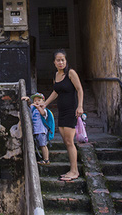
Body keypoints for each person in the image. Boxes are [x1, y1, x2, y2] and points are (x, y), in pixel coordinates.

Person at [43, 49, 83, 182]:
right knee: (66, 141)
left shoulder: (71, 73)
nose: (61, 62)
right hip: (61, 111)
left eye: (63, 60)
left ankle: (74, 171)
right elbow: (55, 92)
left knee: (70, 142)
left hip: (71, 110)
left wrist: (80, 106)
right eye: (58, 60)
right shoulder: (56, 75)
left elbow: (79, 89)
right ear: (54, 62)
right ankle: (72, 170)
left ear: (66, 61)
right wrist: (45, 104)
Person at [22, 92, 55, 165]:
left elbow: (43, 113)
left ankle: (46, 159)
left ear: (43, 102)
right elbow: (29, 105)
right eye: (35, 100)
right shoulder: (34, 109)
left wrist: (39, 107)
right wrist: (28, 100)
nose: (36, 102)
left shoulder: (44, 110)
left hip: (42, 130)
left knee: (43, 145)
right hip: (36, 130)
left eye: (39, 100)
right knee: (39, 144)